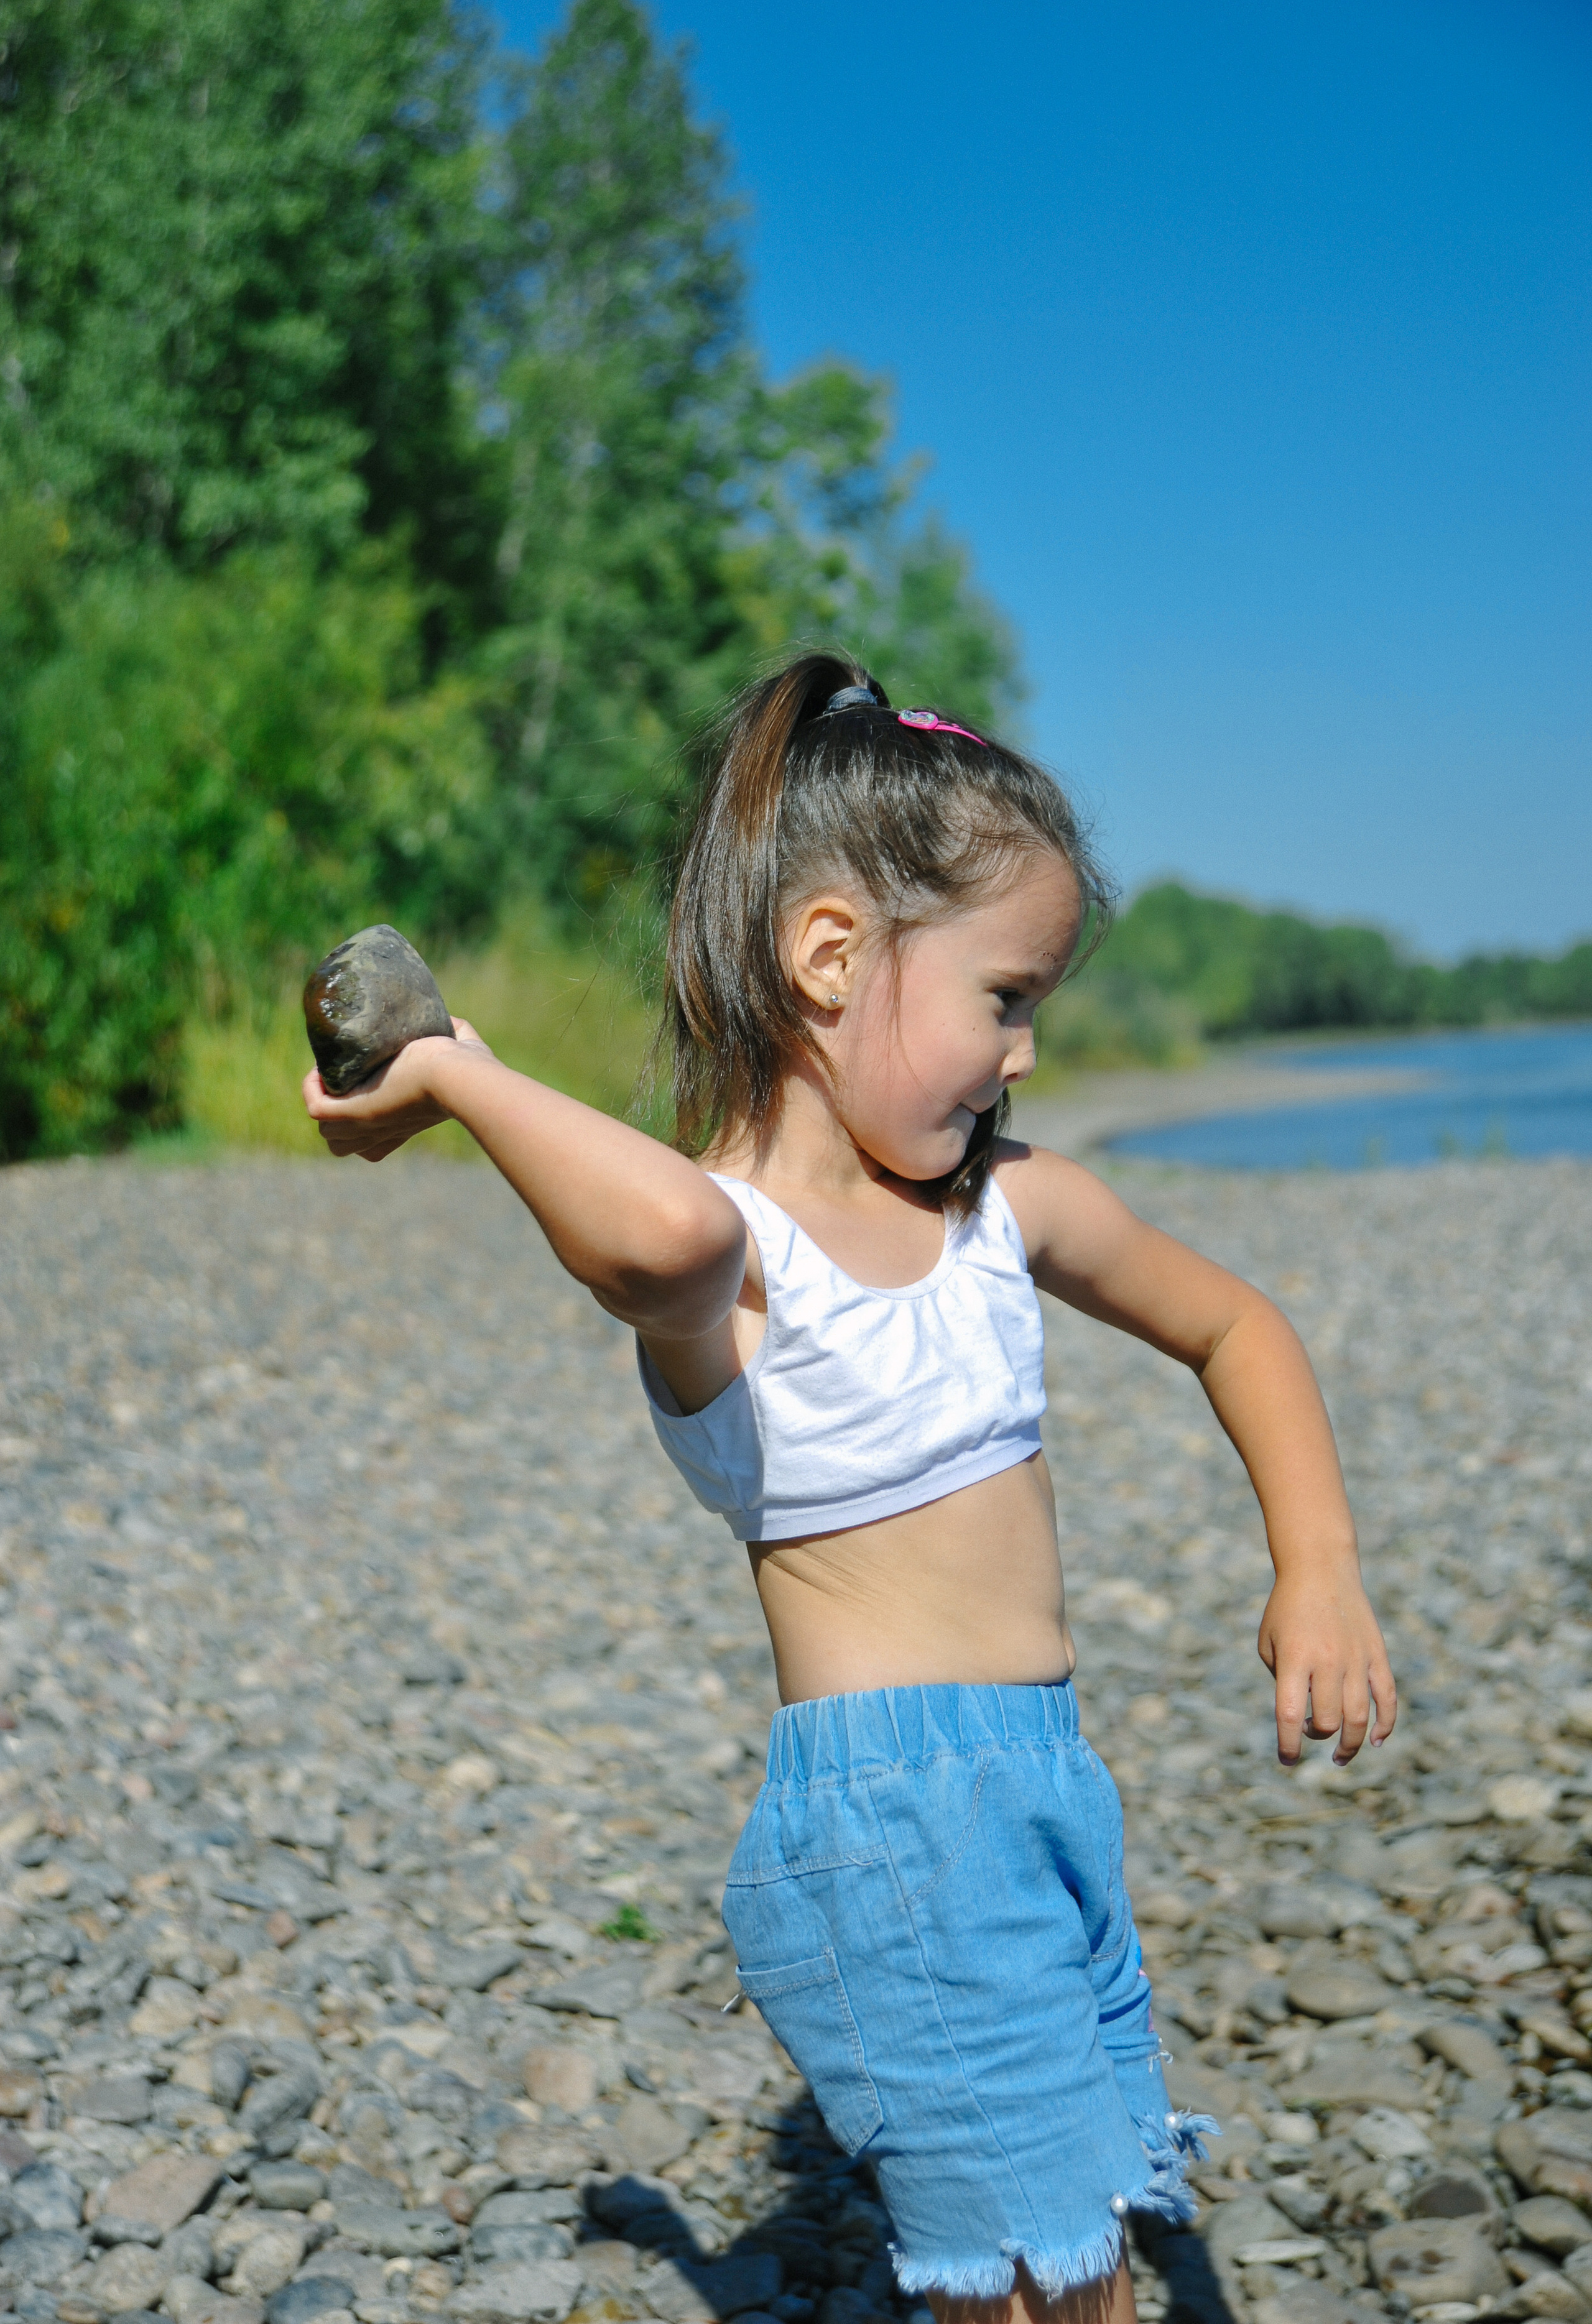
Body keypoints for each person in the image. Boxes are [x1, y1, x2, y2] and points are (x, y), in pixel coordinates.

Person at [303, 654, 1397, 2324]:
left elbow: (1235, 1324)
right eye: (1005, 997)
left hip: (1048, 1792)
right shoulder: (735, 1264)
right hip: (899, 1837)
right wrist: (457, 1075)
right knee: (1042, 2287)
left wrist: (1316, 1563)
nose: (1024, 1053)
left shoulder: (1005, 1209)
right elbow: (655, 1233)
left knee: (1088, 2225)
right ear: (829, 958)